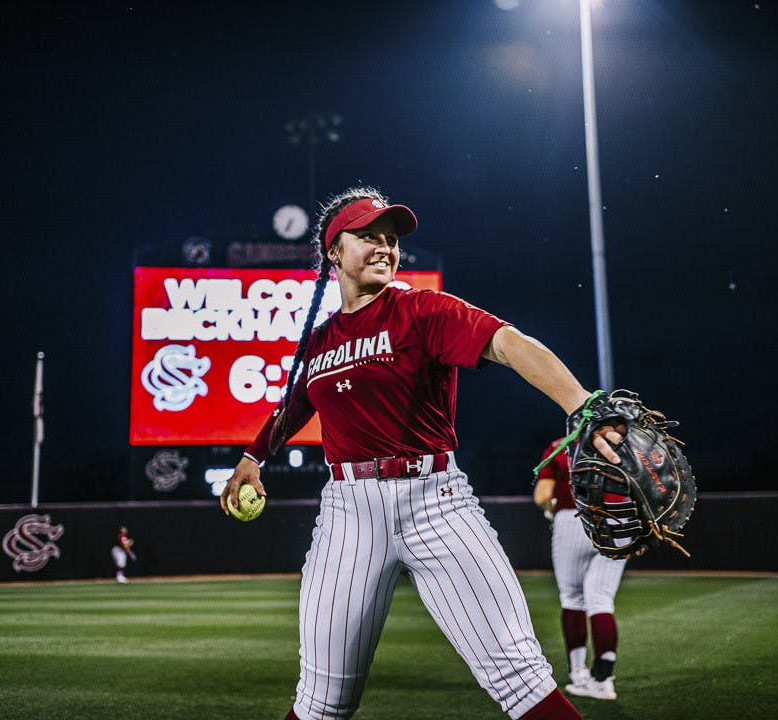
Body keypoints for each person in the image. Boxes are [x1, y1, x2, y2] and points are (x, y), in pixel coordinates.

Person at [220, 186, 627, 720]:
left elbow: (509, 343)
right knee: (322, 701)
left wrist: (580, 403)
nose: (384, 246)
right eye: (367, 236)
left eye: (390, 238)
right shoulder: (318, 343)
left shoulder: (421, 310)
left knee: (520, 676)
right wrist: (252, 457)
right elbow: (293, 409)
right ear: (333, 252)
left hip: (435, 502)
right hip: (349, 513)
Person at [533, 439, 626, 701]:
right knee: (601, 599)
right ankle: (603, 680)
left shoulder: (560, 446)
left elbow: (542, 495)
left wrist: (550, 509)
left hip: (574, 517)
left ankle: (579, 673)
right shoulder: (625, 442)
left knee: (573, 598)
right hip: (621, 520)